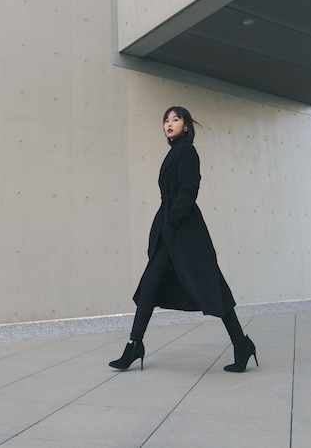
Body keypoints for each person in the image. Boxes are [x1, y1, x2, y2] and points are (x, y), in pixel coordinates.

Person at [109, 106, 258, 373]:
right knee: (149, 286)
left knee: (210, 285)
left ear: (186, 125)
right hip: (169, 228)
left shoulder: (187, 151)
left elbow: (190, 187)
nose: (169, 123)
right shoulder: (174, 151)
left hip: (185, 229)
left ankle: (241, 343)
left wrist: (175, 219)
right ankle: (134, 345)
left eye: (175, 119)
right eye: (166, 120)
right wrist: (167, 223)